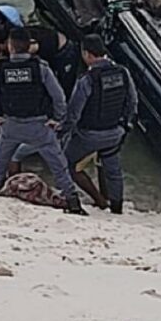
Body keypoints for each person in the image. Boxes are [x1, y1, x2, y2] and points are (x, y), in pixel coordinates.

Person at [0, 27, 85, 215]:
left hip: (11, 124)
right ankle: (72, 200)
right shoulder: (41, 68)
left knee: (0, 158)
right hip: (39, 126)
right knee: (58, 164)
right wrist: (57, 119)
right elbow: (58, 97)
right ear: (30, 46)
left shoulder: (0, 70)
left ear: (10, 47)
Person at [61, 34, 137, 214]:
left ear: (87, 54)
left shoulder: (87, 79)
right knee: (113, 169)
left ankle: (100, 200)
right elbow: (132, 103)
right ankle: (117, 208)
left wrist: (63, 133)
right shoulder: (123, 72)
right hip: (115, 132)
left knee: (68, 163)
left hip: (90, 134)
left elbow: (74, 113)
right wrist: (125, 127)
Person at [0, 23, 81, 97]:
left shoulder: (28, 44)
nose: (1, 50)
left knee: (65, 87)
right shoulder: (17, 33)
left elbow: (29, 58)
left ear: (6, 42)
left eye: (0, 47)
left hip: (64, 52)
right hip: (51, 50)